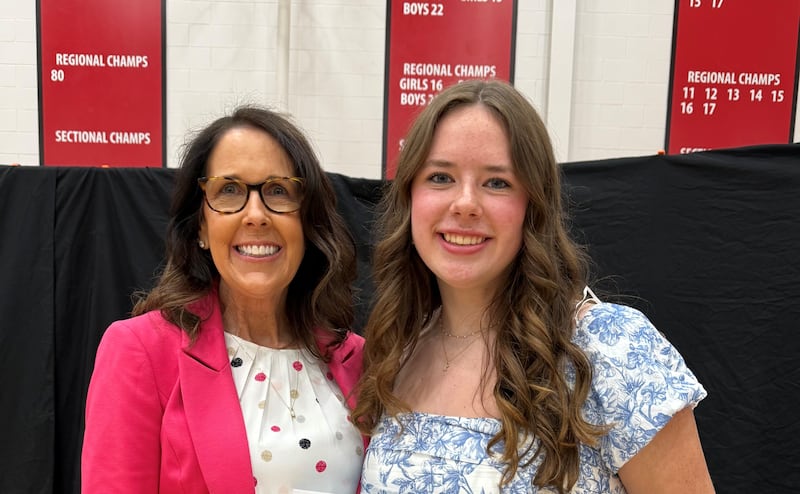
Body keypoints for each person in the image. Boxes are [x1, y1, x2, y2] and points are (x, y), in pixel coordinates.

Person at [351, 80, 715, 493]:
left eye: (497, 182)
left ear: (533, 205)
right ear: (409, 198)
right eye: (440, 176)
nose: (465, 203)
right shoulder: (399, 350)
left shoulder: (610, 349)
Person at [82, 105, 366, 493]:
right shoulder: (140, 350)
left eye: (278, 190)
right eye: (229, 190)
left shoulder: (357, 358)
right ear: (201, 225)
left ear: (307, 220)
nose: (256, 215)